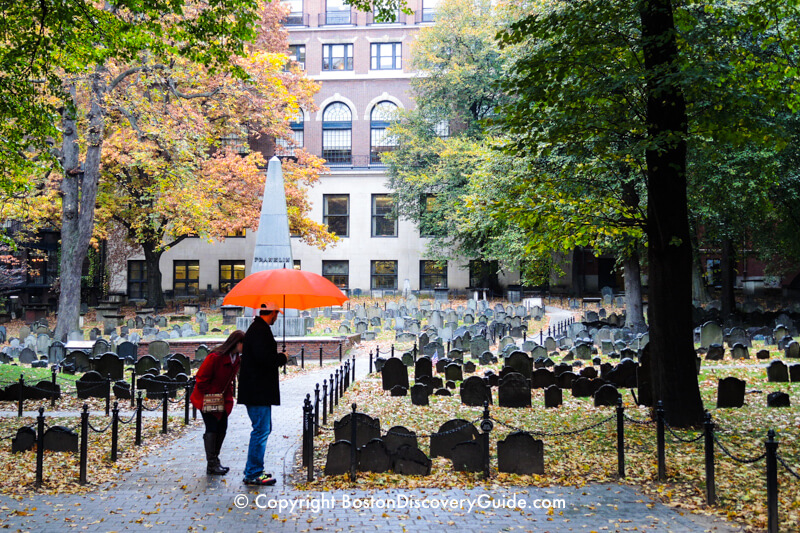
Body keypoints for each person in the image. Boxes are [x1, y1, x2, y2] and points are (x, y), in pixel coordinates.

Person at [238, 303, 287, 486]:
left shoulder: (258, 328)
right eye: (276, 313)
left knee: (262, 429)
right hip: (257, 392)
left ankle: (253, 469)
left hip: (257, 391)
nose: (277, 317)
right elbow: (264, 359)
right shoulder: (260, 330)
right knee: (261, 430)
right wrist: (282, 358)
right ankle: (253, 473)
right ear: (272, 312)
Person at [190, 329, 244, 475]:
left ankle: (215, 460)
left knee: (222, 428)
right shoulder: (215, 357)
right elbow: (201, 378)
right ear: (237, 343)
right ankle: (211, 464)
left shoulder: (236, 359)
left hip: (222, 399)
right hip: (206, 398)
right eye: (244, 344)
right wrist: (211, 395)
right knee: (212, 428)